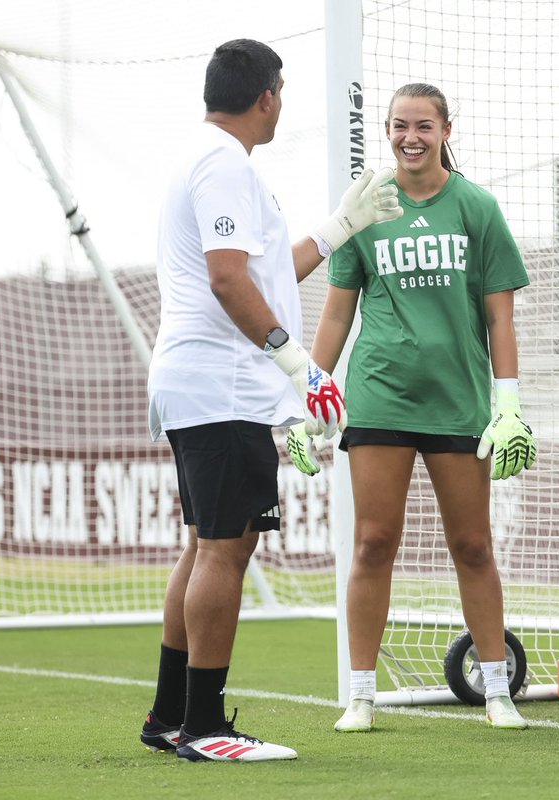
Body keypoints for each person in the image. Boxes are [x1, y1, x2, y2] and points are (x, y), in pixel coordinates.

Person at [139, 38, 402, 762]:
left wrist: (337, 228)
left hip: (202, 381)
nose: (281, 103)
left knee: (205, 545)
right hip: (220, 385)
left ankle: (170, 715)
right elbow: (229, 281)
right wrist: (294, 360)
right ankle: (204, 726)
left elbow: (262, 274)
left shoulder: (210, 159)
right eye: (280, 92)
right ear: (266, 96)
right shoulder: (222, 165)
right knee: (226, 547)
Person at [302, 82, 535, 733]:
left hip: (458, 404)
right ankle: (360, 695)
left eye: (423, 126)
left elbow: (500, 316)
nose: (410, 137)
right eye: (399, 126)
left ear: (445, 130)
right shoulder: (365, 208)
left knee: (472, 546)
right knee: (373, 543)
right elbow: (337, 310)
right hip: (379, 398)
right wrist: (313, 391)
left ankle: (496, 690)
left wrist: (507, 401)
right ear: (386, 130)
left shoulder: (476, 206)